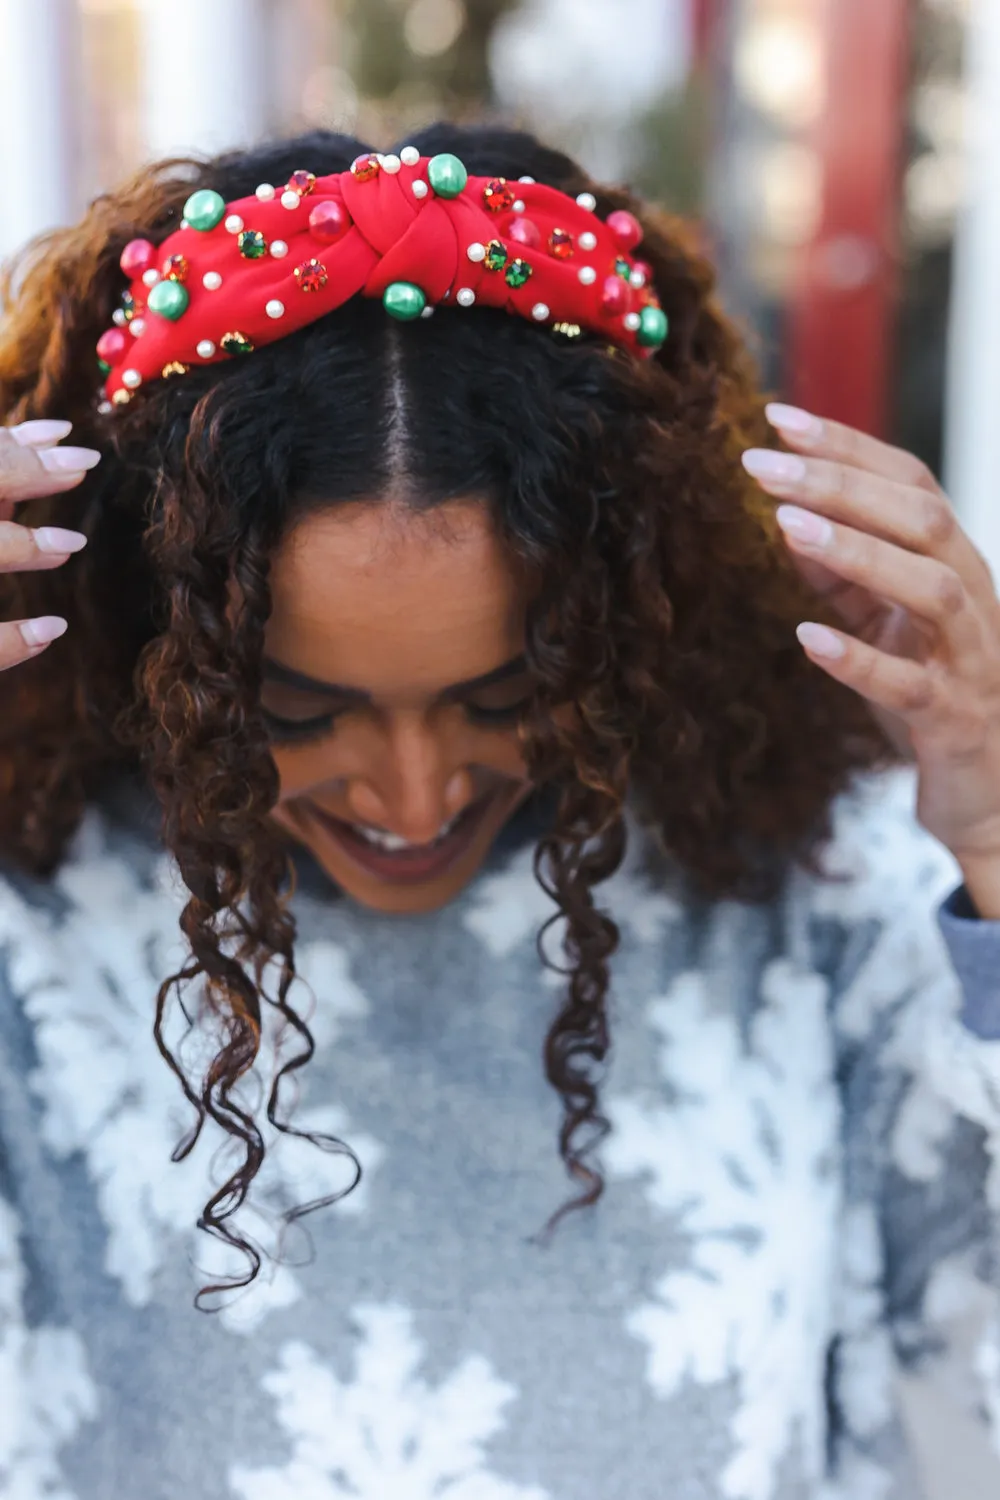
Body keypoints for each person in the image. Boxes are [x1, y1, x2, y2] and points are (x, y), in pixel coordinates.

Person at [0, 119, 998, 1500]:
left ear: (629, 621)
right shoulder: (26, 929)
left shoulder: (818, 896)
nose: (414, 798)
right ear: (156, 646)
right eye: (292, 712)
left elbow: (967, 1388)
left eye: (508, 690)